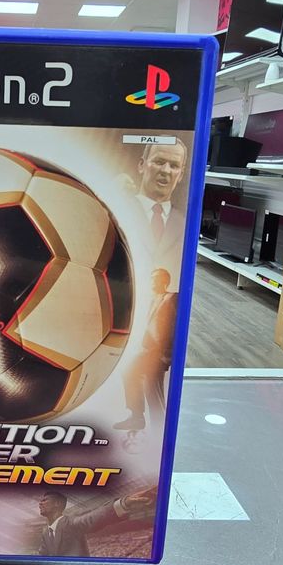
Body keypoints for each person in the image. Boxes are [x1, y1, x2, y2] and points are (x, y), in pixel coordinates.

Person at [115, 268, 178, 432]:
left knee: (152, 389)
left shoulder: (172, 297)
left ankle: (158, 426)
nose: (153, 281)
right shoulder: (151, 300)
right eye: (152, 278)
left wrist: (166, 354)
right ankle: (138, 418)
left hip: (159, 353)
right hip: (148, 351)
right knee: (133, 375)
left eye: (156, 278)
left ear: (165, 281)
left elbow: (175, 328)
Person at [38, 487, 157, 557]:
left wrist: (123, 504)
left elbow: (93, 517)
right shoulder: (45, 532)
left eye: (44, 500)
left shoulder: (71, 524)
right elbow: (43, 556)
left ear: (57, 504)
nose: (40, 503)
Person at [136, 139, 188, 290]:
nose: (166, 170)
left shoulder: (185, 223)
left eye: (174, 166)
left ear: (181, 175)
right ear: (142, 165)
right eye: (159, 162)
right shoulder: (116, 209)